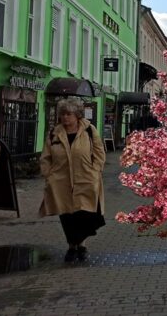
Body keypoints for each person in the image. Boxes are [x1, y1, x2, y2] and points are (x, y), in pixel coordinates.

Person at [39, 97, 106, 263]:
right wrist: (48, 174)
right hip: (60, 182)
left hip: (85, 179)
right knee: (67, 217)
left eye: (69, 114)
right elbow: (45, 157)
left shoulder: (89, 131)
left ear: (77, 115)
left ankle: (81, 245)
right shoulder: (54, 133)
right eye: (63, 114)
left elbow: (99, 153)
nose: (65, 117)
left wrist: (95, 170)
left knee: (83, 215)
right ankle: (71, 246)